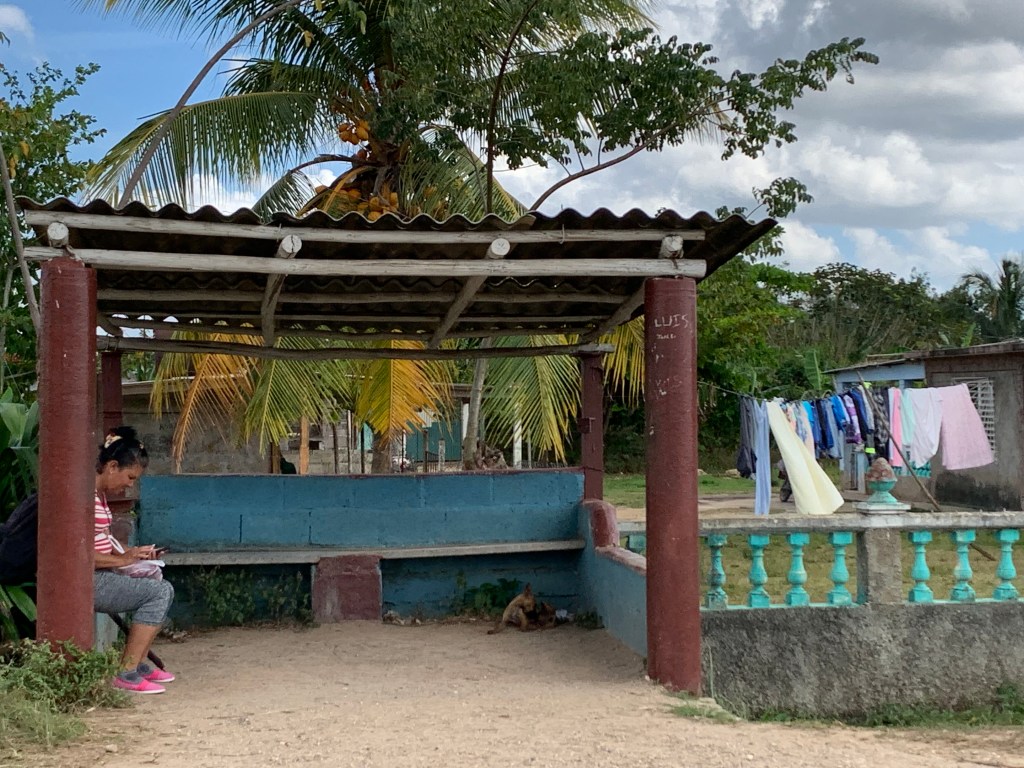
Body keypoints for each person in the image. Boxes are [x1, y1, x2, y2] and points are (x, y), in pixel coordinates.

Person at [93, 426, 175, 694]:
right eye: (129, 477)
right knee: (158, 593)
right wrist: (123, 561)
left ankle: (136, 664)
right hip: (88, 580)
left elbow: (103, 544)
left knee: (162, 589)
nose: (130, 484)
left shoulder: (98, 497)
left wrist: (135, 553)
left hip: (101, 573)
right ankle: (126, 672)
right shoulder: (84, 499)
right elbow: (78, 553)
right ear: (112, 467)